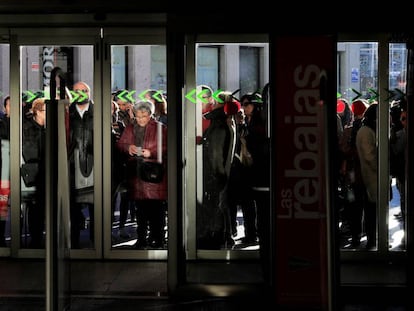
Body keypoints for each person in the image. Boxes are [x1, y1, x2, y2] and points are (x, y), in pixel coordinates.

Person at [116, 100, 167, 249]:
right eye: (138, 116)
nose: (140, 119)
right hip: (136, 174)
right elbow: (120, 144)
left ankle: (157, 238)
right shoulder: (131, 128)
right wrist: (128, 148)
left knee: (156, 210)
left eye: (144, 116)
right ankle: (142, 238)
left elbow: (167, 147)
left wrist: (151, 152)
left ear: (150, 115)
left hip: (154, 175)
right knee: (141, 210)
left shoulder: (160, 128)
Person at [197, 91, 236, 249]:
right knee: (219, 205)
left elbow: (216, 154)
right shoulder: (221, 122)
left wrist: (216, 175)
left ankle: (216, 236)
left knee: (216, 205)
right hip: (216, 173)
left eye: (216, 101)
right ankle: (222, 235)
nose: (211, 102)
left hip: (213, 174)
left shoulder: (219, 124)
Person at [68, 81, 94, 249]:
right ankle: (74, 243)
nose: (80, 93)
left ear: (89, 93)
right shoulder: (66, 114)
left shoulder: (99, 112)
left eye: (83, 91)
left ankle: (97, 242)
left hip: (94, 165)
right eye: (76, 91)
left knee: (96, 207)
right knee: (73, 208)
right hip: (71, 167)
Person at [338, 99, 368, 247]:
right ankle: (367, 233)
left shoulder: (348, 129)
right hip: (365, 171)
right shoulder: (368, 128)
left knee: (352, 202)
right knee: (366, 203)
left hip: (351, 172)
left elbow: (342, 149)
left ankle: (354, 233)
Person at [21, 97, 47, 248]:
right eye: (45, 111)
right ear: (37, 112)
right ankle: (35, 239)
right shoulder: (26, 128)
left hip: (47, 172)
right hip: (33, 174)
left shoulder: (50, 128)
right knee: (35, 209)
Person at [112, 90, 136, 239]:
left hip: (128, 161)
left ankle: (122, 226)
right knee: (114, 197)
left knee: (127, 197)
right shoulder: (115, 119)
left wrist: (132, 115)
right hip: (117, 160)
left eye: (124, 104)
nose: (121, 107)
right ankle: (114, 227)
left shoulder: (131, 116)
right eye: (119, 104)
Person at [356, 103, 378, 249]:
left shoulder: (367, 130)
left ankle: (373, 239)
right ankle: (371, 240)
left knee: (372, 209)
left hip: (371, 176)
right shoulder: (365, 131)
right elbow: (369, 157)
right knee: (371, 210)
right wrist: (381, 167)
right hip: (370, 176)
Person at [0, 95, 10, 246]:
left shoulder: (26, 123)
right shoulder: (1, 124)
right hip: (4, 170)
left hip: (22, 172)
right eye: (10, 105)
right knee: (2, 207)